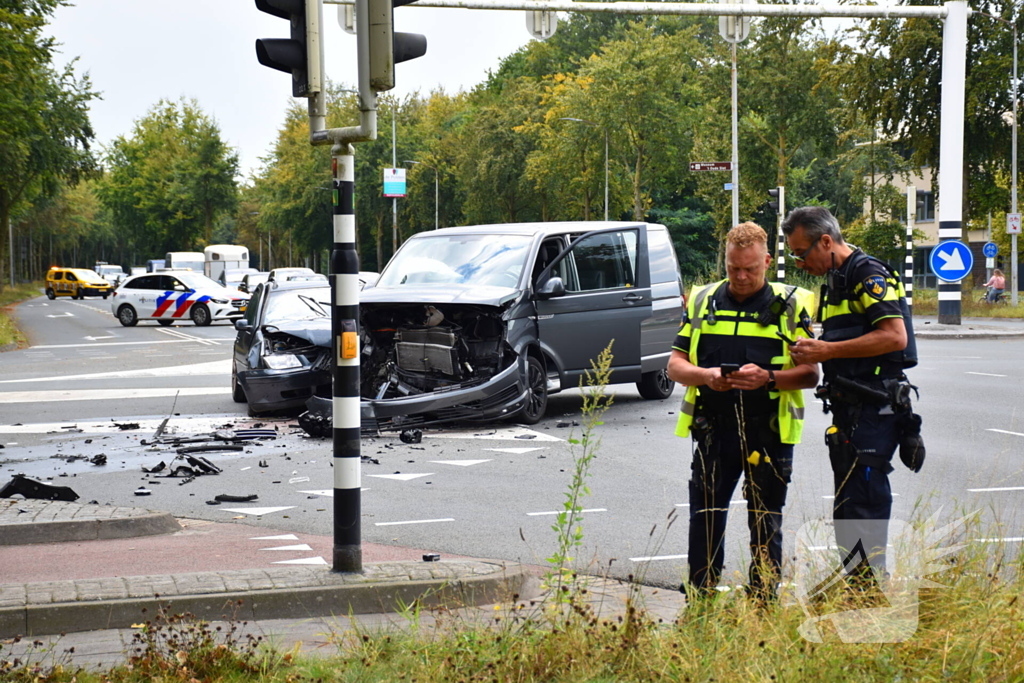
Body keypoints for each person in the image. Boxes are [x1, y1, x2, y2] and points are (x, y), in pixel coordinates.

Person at [668, 222, 818, 601]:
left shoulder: (791, 304)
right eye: (734, 267)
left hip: (768, 432)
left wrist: (767, 378)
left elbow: (809, 374)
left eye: (750, 268)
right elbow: (674, 365)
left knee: (766, 523)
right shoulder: (703, 299)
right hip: (714, 431)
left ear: (767, 261)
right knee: (705, 518)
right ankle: (700, 598)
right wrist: (706, 376)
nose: (741, 276)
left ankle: (763, 600)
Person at [781, 206, 921, 585]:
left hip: (874, 406)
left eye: (801, 253)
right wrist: (817, 345)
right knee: (848, 500)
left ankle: (871, 587)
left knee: (864, 498)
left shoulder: (866, 273)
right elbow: (847, 338)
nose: (798, 262)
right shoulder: (838, 278)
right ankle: (857, 582)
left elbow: (894, 336)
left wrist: (826, 351)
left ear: (825, 241)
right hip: (851, 408)